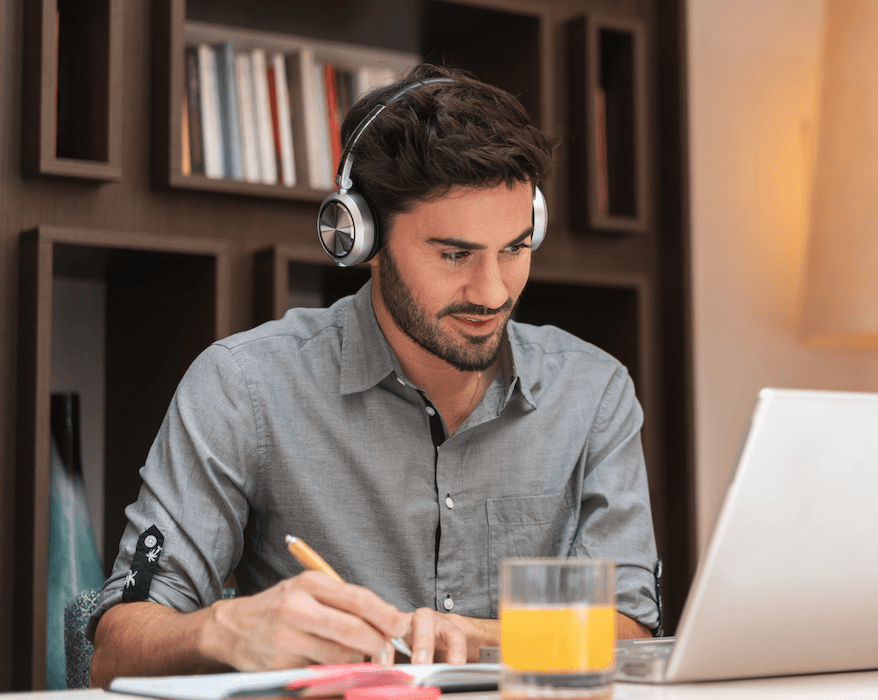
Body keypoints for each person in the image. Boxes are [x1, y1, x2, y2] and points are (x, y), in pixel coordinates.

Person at [87, 64, 660, 687]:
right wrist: (227, 628)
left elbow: (630, 633)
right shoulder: (243, 386)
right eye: (454, 254)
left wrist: (478, 637)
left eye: (516, 248)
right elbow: (113, 652)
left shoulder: (595, 391)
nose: (492, 291)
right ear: (360, 238)